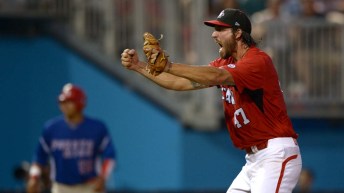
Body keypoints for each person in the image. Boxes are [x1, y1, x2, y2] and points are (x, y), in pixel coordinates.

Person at [121, 8, 302, 193]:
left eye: (221, 29)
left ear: (238, 33)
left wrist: (168, 65)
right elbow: (178, 82)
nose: (214, 34)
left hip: (275, 154)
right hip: (254, 160)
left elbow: (217, 76)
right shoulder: (226, 63)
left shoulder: (257, 61)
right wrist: (139, 66)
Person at [26, 83, 116, 193]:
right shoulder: (51, 128)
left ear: (79, 103)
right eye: (62, 102)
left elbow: (109, 156)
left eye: (69, 102)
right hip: (61, 187)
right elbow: (39, 157)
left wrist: (103, 177)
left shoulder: (97, 127)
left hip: (90, 186)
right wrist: (34, 177)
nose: (64, 106)